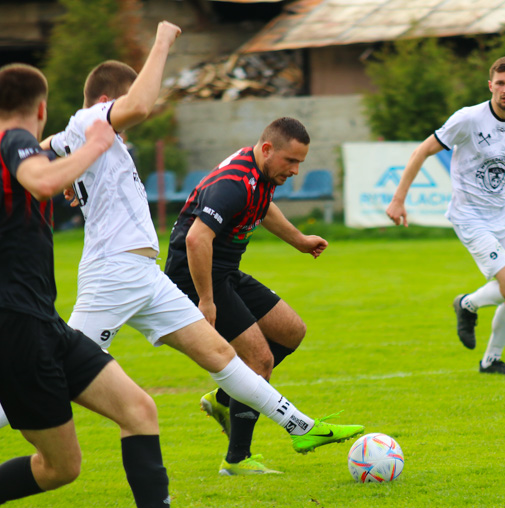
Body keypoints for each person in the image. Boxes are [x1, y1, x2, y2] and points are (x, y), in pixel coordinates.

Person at [0, 21, 363, 476]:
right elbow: (140, 104)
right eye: (120, 108)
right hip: (112, 274)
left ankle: (300, 425)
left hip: (145, 275)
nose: (128, 121)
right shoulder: (92, 120)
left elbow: (47, 146)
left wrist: (66, 165)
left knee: (220, 356)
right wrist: (163, 42)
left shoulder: (90, 137)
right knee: (48, 376)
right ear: (105, 103)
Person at [0, 63, 222, 508]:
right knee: (60, 467)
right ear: (39, 109)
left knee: (139, 410)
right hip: (17, 326)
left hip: (41, 322)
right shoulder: (14, 140)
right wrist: (96, 143)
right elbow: (40, 181)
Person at [163, 117, 360, 471]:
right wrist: (206, 300)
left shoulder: (260, 173)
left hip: (225, 271)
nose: (296, 170)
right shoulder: (232, 184)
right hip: (195, 276)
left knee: (291, 330)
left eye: (301, 162)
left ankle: (225, 398)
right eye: (291, 161)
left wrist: (299, 240)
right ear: (267, 149)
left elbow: (263, 206)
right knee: (259, 361)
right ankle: (237, 459)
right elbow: (196, 239)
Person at [385, 55, 505, 375]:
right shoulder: (468, 119)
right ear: (490, 86)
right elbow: (422, 151)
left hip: (503, 214)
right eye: (500, 83)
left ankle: (491, 361)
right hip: (469, 215)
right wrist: (399, 199)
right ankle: (467, 304)